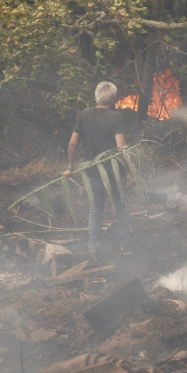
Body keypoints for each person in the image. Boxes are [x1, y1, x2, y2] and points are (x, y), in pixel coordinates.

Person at [64, 81, 134, 252]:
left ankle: (93, 249)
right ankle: (127, 247)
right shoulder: (116, 117)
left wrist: (71, 167)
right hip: (115, 174)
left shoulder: (85, 114)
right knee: (121, 207)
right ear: (111, 98)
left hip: (94, 173)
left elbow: (72, 143)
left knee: (95, 211)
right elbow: (121, 148)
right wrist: (128, 171)